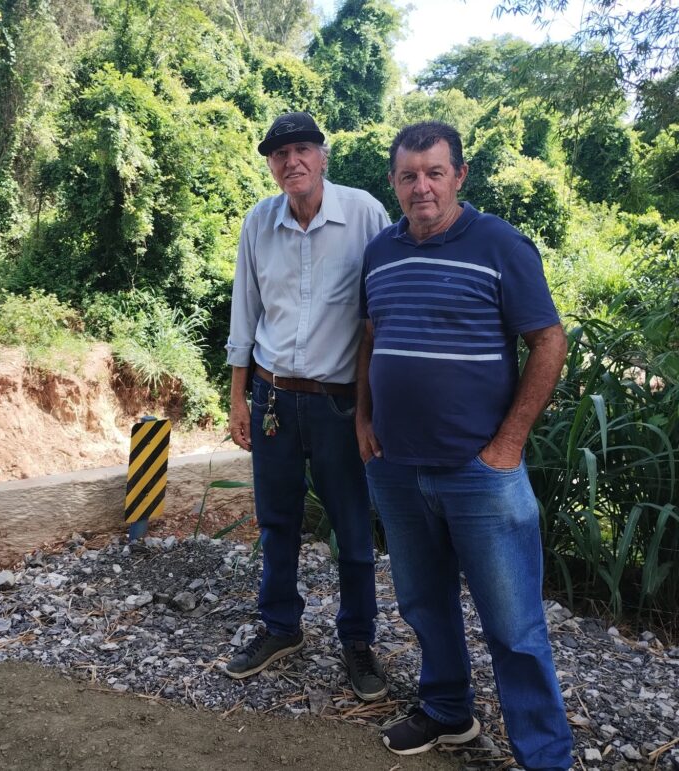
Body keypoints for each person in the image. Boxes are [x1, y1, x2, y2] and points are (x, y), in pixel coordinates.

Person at [356, 121, 573, 769]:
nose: (421, 186)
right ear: (393, 182)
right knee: (424, 602)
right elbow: (371, 338)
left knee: (513, 625)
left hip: (481, 473)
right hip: (395, 467)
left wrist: (509, 443)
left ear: (460, 175)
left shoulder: (500, 244)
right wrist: (363, 420)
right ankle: (449, 711)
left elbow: (549, 340)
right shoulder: (380, 252)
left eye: (434, 172)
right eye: (408, 175)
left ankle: (544, 755)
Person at [223, 111, 391, 701]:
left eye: (301, 150)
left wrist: (376, 407)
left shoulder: (366, 214)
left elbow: (382, 312)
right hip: (272, 398)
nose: (290, 161)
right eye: (278, 153)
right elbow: (245, 313)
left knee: (351, 525)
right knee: (276, 521)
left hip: (339, 404)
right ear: (270, 165)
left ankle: (357, 640)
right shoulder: (258, 223)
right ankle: (280, 626)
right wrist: (238, 399)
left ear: (323, 155)